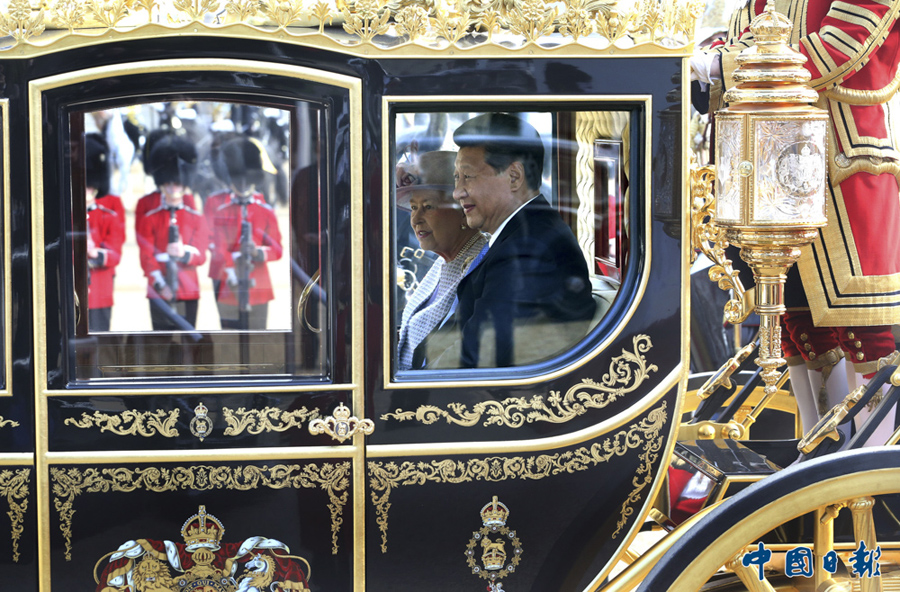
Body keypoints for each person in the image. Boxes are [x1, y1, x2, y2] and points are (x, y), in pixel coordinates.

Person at [692, 0, 900, 445]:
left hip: (840, 173)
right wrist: (708, 64)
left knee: (864, 329)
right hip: (768, 174)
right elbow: (737, 46)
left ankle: (874, 474)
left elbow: (837, 50)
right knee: (799, 327)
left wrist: (720, 65)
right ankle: (825, 459)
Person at [450, 113, 595, 368]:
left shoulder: (529, 250)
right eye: (456, 178)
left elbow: (478, 357)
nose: (457, 192)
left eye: (468, 176)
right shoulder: (523, 234)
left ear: (514, 177)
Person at [395, 150, 488, 370]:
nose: (416, 219)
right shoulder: (442, 262)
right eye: (414, 207)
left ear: (462, 209)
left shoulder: (481, 262)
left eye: (428, 207)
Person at [207, 136, 283, 330]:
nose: (242, 184)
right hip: (225, 278)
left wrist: (257, 252)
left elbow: (277, 248)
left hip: (257, 282)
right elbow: (211, 242)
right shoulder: (217, 204)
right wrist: (232, 264)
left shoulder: (263, 208)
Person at [137, 133, 209, 331]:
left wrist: (184, 253)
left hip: (188, 289)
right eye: (168, 183)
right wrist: (161, 286)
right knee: (161, 345)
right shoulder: (150, 218)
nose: (172, 188)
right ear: (162, 183)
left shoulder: (196, 217)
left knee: (188, 345)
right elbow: (146, 257)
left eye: (177, 183)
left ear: (184, 184)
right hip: (160, 289)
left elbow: (201, 255)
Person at [84, 133, 125, 332]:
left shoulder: (109, 212)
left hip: (100, 288)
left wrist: (95, 253)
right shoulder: (64, 214)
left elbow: (115, 250)